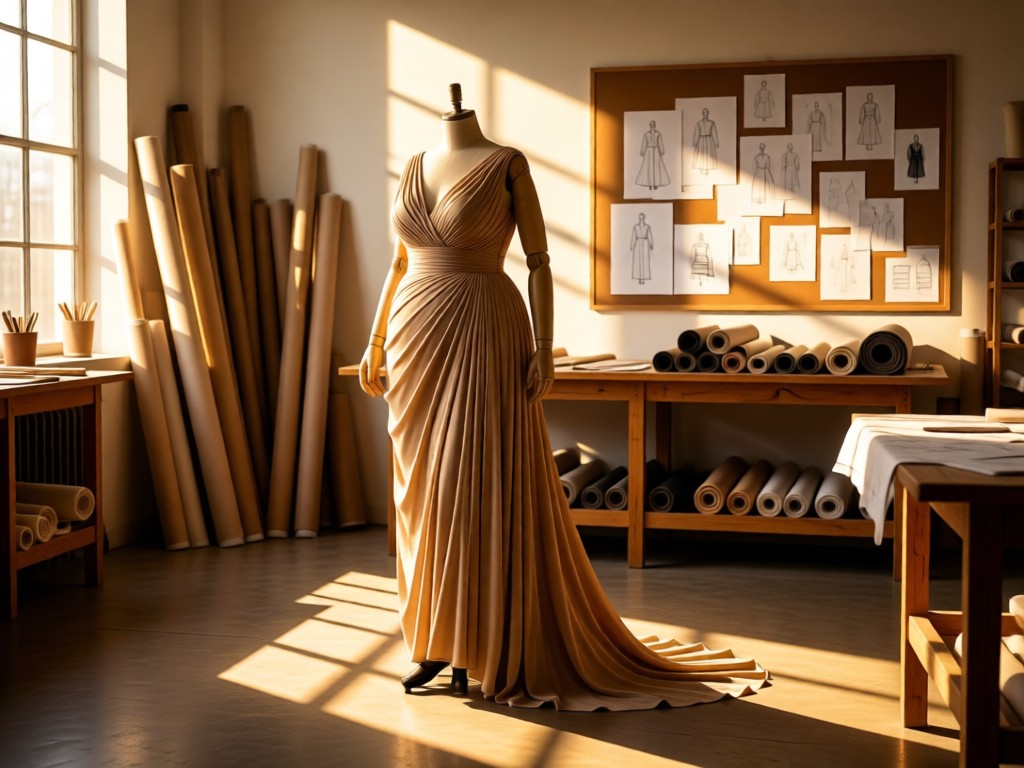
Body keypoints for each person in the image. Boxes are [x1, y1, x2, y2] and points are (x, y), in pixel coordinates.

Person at [359, 84, 768, 711]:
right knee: (424, 492)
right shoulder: (414, 166)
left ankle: (483, 639)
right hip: (414, 341)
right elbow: (397, 262)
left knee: (478, 483)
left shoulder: (507, 163)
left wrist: (543, 343)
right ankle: (437, 637)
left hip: (483, 328)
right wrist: (376, 336)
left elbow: (539, 261)